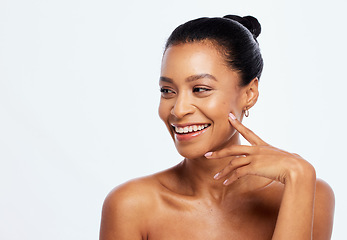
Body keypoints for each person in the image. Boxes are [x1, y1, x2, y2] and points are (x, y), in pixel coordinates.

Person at [99, 15, 335, 239]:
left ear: (249, 94)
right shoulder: (130, 206)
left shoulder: (309, 192)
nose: (178, 110)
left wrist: (299, 176)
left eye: (200, 89)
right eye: (167, 91)